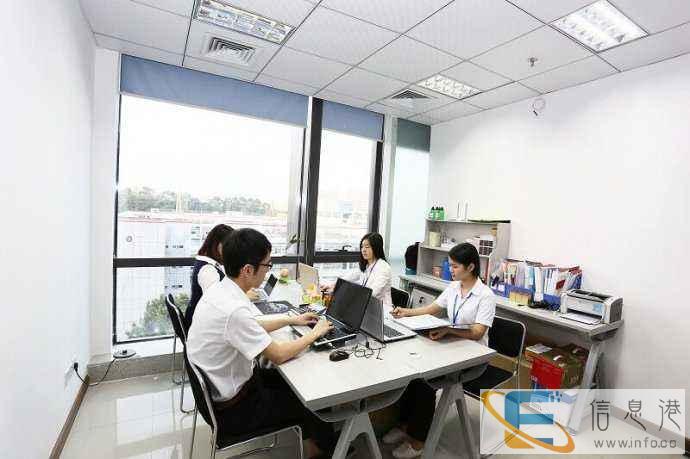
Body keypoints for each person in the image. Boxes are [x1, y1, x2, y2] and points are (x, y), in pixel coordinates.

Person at [186, 228, 336, 458]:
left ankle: (315, 445)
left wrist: (291, 319)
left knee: (292, 381)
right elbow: (278, 354)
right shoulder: (234, 310)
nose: (268, 271)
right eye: (267, 265)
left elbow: (251, 324)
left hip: (225, 392)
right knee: (310, 395)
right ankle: (324, 451)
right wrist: (315, 333)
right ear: (248, 270)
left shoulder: (221, 291)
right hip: (236, 410)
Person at [384, 242, 496, 458]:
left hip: (474, 355)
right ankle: (405, 425)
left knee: (425, 381)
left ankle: (418, 442)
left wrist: (448, 330)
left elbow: (478, 332)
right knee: (410, 372)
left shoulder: (485, 295)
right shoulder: (454, 287)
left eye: (455, 266)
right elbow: (432, 308)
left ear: (470, 267)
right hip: (453, 345)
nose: (450, 270)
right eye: (450, 265)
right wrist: (406, 312)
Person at [184, 224, 258, 329]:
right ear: (218, 246)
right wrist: (243, 296)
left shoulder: (209, 263)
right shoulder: (208, 270)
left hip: (199, 320)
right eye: (230, 247)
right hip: (201, 326)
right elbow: (218, 304)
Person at [325, 232, 393, 309]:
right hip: (365, 306)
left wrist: (348, 295)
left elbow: (373, 293)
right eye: (362, 247)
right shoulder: (366, 265)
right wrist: (333, 285)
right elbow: (349, 277)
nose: (363, 250)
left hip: (381, 310)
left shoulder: (384, 268)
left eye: (367, 247)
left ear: (376, 248)